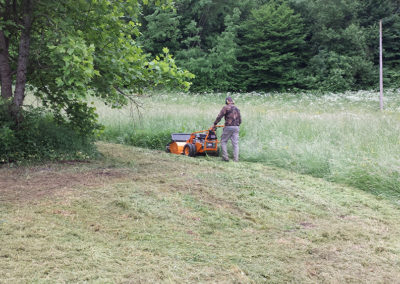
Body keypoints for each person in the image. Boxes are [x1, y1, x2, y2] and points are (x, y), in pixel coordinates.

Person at [212, 96, 242, 162]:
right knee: (235, 144)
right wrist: (237, 125)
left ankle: (225, 157)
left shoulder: (226, 107)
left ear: (227, 101)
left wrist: (215, 123)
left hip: (228, 126)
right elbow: (240, 119)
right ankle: (236, 159)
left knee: (223, 141)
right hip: (236, 127)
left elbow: (220, 116)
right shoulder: (237, 108)